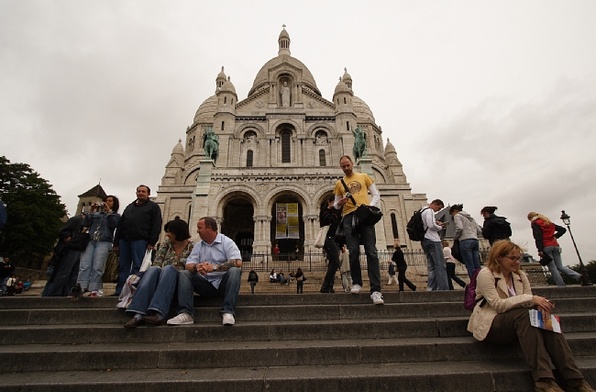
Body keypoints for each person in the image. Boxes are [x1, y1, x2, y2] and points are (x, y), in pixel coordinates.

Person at [467, 240, 595, 392]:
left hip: (520, 320)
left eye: (518, 258)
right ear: (499, 258)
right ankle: (543, 379)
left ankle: (574, 378)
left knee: (545, 318)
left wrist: (540, 305)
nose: (517, 262)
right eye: (512, 258)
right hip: (493, 322)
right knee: (526, 315)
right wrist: (531, 300)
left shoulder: (520, 275)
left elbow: (528, 300)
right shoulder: (485, 274)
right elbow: (498, 305)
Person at [167, 217, 242, 327]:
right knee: (184, 273)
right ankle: (186, 313)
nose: (197, 230)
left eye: (199, 228)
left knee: (235, 271)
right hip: (205, 284)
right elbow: (188, 265)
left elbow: (238, 262)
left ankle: (228, 311)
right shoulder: (198, 246)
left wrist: (214, 268)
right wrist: (197, 267)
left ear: (209, 228)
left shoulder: (227, 242)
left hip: (223, 284)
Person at [123, 218, 194, 328]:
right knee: (153, 269)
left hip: (178, 283)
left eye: (169, 231)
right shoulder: (167, 244)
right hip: (161, 281)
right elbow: (157, 262)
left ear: (178, 232)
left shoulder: (192, 247)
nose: (167, 235)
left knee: (169, 269)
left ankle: (159, 313)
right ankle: (138, 314)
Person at [334, 155, 383, 305]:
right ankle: (357, 283)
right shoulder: (339, 183)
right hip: (348, 217)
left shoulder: (364, 176)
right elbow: (335, 205)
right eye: (343, 166)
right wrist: (340, 203)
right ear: (341, 167)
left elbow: (376, 195)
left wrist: (369, 207)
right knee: (353, 252)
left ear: (352, 164)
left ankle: (376, 290)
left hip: (363, 215)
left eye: (348, 165)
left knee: (371, 251)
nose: (346, 168)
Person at [113, 185, 162, 296]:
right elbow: (120, 225)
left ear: (148, 194)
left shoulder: (153, 207)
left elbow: (156, 224)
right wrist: (116, 242)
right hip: (124, 240)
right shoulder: (129, 207)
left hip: (141, 240)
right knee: (123, 266)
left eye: (143, 191)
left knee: (137, 266)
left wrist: (152, 242)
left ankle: (133, 290)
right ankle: (120, 290)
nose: (140, 193)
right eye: (139, 191)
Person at [77, 195, 120, 297]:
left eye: (110, 201)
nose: (107, 202)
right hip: (90, 240)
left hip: (104, 241)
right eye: (106, 201)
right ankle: (81, 287)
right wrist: (91, 210)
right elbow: (85, 223)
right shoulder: (96, 214)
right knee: (84, 265)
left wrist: (109, 212)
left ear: (114, 204)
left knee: (98, 266)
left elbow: (114, 225)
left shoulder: (115, 215)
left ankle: (94, 289)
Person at [528, 212, 581, 287]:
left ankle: (561, 285)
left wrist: (540, 249)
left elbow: (538, 237)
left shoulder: (535, 223)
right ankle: (577, 275)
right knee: (560, 266)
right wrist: (555, 236)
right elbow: (562, 229)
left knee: (552, 267)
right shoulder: (548, 222)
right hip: (555, 245)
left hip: (546, 246)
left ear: (531, 218)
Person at [42, 215, 85, 297]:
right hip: (70, 249)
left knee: (73, 275)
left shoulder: (88, 224)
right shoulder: (77, 219)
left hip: (79, 250)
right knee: (64, 273)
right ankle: (54, 294)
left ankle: (67, 293)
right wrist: (70, 241)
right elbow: (63, 232)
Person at [421, 199, 449, 291]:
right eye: (438, 208)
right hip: (433, 240)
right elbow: (431, 225)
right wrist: (440, 227)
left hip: (425, 240)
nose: (438, 210)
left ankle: (431, 288)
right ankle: (443, 288)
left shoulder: (422, 210)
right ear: (435, 204)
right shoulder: (429, 211)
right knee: (440, 265)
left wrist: (435, 223)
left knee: (431, 266)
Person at [450, 204, 482, 278]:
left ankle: (473, 283)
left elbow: (460, 228)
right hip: (475, 240)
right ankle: (480, 281)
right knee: (477, 264)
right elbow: (479, 230)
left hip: (465, 240)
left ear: (454, 211)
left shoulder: (457, 216)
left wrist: (455, 237)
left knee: (469, 264)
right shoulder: (471, 218)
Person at [319, 196, 342, 293]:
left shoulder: (336, 212)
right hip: (327, 238)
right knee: (335, 262)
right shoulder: (324, 211)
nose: (335, 204)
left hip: (334, 239)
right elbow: (330, 220)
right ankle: (325, 286)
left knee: (333, 263)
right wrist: (333, 209)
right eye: (334, 202)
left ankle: (329, 286)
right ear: (329, 202)